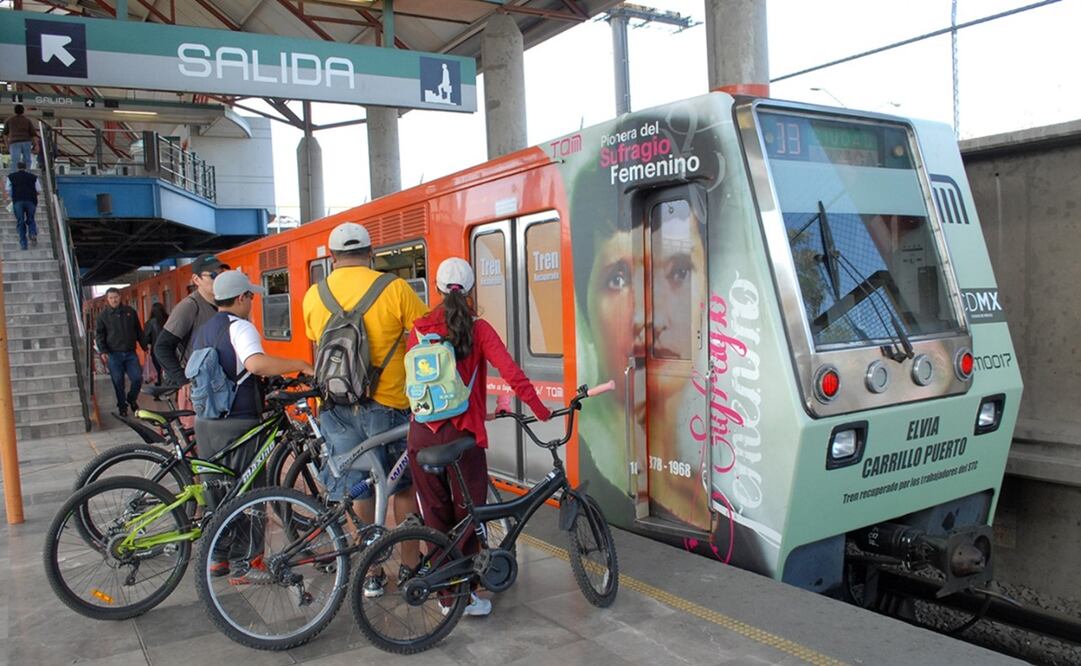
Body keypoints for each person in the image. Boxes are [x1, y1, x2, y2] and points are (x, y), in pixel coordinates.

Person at [406, 258, 552, 618]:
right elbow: (512, 374)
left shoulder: (420, 329)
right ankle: (467, 595)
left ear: (436, 290)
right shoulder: (478, 328)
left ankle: (445, 596)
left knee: (435, 515)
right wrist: (541, 410)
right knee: (467, 514)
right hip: (463, 437)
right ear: (471, 291)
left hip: (422, 434)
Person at [302, 221, 427, 598]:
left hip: (336, 406)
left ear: (333, 258)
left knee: (360, 488)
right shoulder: (396, 288)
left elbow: (315, 338)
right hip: (388, 405)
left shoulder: (314, 295)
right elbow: (426, 332)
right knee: (402, 486)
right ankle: (408, 567)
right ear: (371, 253)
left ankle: (371, 573)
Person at [192, 270, 314, 581]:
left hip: (207, 422)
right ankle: (249, 563)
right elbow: (254, 363)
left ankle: (218, 558)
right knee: (251, 491)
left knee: (219, 492)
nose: (252, 301)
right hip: (238, 422)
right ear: (242, 297)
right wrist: (299, 364)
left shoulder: (206, 328)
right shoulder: (240, 327)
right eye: (251, 296)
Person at [155, 254, 229, 422]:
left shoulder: (224, 304)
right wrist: (183, 380)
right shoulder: (189, 306)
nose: (219, 280)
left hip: (219, 385)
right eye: (213, 275)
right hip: (199, 388)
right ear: (196, 280)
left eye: (221, 274)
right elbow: (162, 347)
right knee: (199, 442)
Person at [95, 287, 146, 417]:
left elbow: (138, 330)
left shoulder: (130, 312)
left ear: (120, 297)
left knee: (137, 378)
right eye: (111, 298)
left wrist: (144, 346)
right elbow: (100, 335)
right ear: (107, 300)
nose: (114, 300)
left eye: (116, 297)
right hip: (113, 354)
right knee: (118, 381)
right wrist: (103, 351)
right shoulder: (103, 316)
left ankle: (131, 398)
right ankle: (122, 406)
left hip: (130, 353)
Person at [4, 161, 40, 250]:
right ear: (26, 167)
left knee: (20, 222)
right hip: (31, 201)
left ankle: (24, 245)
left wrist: (14, 195)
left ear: (17, 167)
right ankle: (32, 233)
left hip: (18, 201)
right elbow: (38, 190)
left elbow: (8, 189)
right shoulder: (33, 177)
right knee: (31, 219)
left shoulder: (11, 177)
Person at [142, 302, 169, 386]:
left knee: (157, 369)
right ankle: (171, 387)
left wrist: (145, 347)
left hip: (156, 349)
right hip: (170, 348)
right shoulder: (169, 319)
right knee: (169, 367)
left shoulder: (149, 323)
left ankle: (158, 388)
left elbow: (146, 337)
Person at [3, 105, 37, 169]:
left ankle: (15, 176)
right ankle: (27, 173)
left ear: (14, 111)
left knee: (15, 160)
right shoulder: (27, 120)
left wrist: (7, 144)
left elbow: (5, 134)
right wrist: (35, 144)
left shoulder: (10, 120)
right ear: (23, 111)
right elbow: (33, 134)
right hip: (26, 141)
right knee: (27, 160)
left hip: (14, 142)